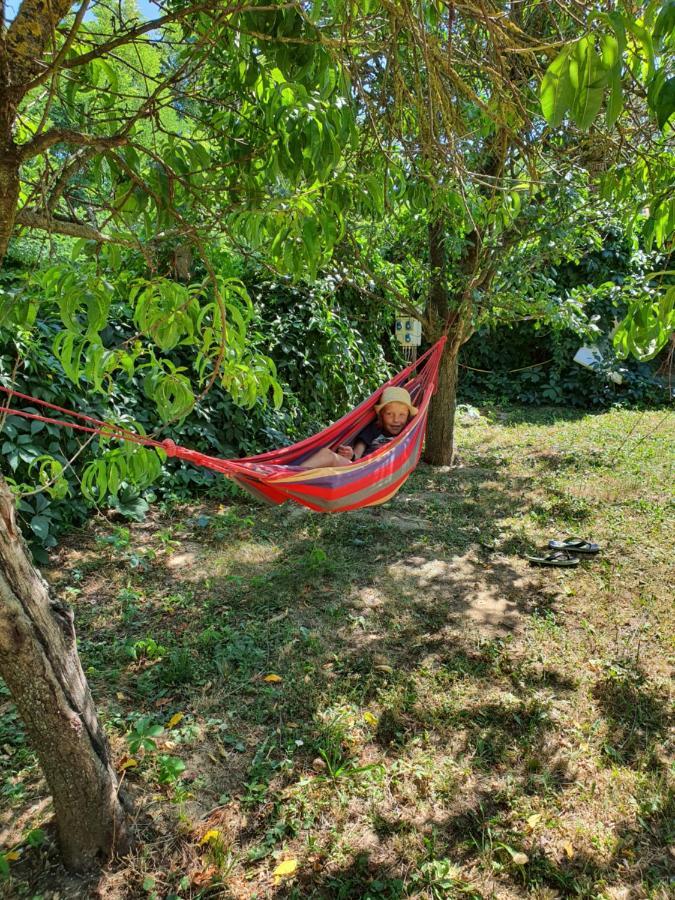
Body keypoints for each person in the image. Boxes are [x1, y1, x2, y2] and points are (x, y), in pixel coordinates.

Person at [298, 387, 418, 469]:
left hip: (382, 474)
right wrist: (351, 455)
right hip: (362, 471)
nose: (396, 420)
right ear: (380, 415)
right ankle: (293, 475)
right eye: (389, 414)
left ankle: (292, 475)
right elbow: (357, 456)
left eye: (402, 414)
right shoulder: (373, 429)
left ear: (408, 416)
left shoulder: (409, 431)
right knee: (327, 454)